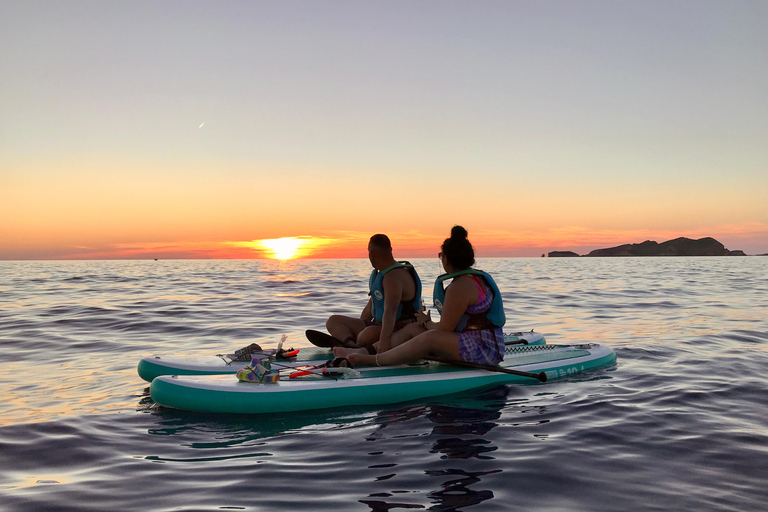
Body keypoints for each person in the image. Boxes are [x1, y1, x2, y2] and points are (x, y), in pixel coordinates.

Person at [336, 225, 506, 367]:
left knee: (429, 337)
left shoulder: (461, 286)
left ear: (447, 259)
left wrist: (425, 321)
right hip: (473, 341)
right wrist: (424, 323)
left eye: (441, 256)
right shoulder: (472, 279)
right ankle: (362, 351)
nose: (441, 260)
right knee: (412, 329)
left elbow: (443, 330)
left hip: (484, 350)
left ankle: (374, 360)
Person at [325, 234, 422, 353]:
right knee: (333, 321)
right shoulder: (380, 274)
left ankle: (356, 343)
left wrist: (384, 340)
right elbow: (371, 306)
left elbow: (390, 310)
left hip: (399, 328)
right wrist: (359, 325)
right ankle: (351, 344)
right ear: (390, 250)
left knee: (366, 335)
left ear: (372, 254)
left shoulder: (393, 277)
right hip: (378, 324)